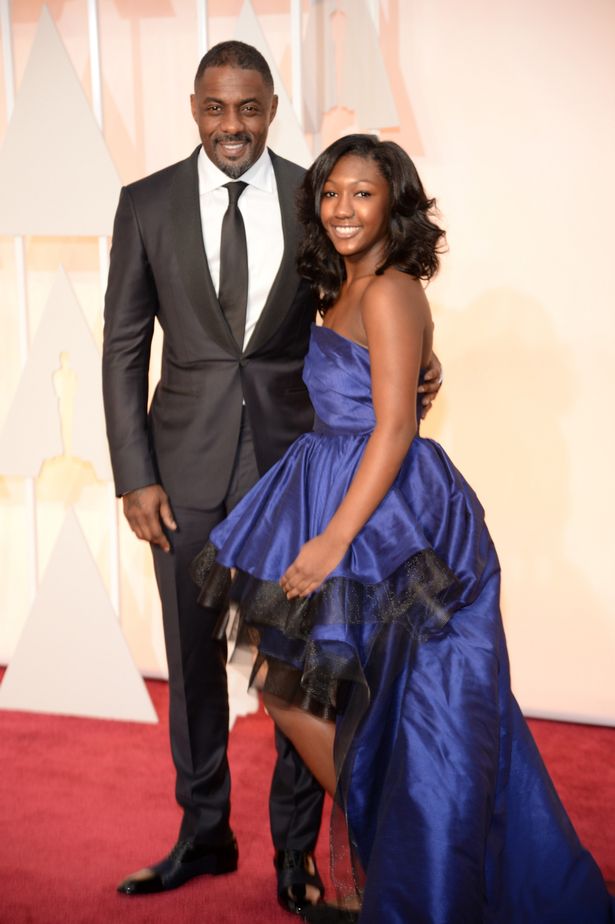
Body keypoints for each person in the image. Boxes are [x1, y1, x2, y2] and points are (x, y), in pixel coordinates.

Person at [192, 134, 615, 922]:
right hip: (332, 490)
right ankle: (396, 844)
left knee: (414, 706)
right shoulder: (344, 287)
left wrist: (332, 542)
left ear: (394, 203)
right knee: (302, 693)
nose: (343, 208)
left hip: (387, 516)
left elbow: (393, 428)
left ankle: (413, 857)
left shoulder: (389, 288)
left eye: (362, 192)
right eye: (330, 192)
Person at [102, 40, 444, 912]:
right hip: (180, 472)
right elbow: (123, 349)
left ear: (270, 106)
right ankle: (202, 831)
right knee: (190, 662)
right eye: (216, 108)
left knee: (299, 669)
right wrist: (134, 473)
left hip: (295, 476)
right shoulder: (143, 205)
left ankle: (297, 854)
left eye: (248, 108)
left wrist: (416, 374)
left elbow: (361, 314)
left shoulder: (315, 198)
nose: (232, 126)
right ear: (193, 108)